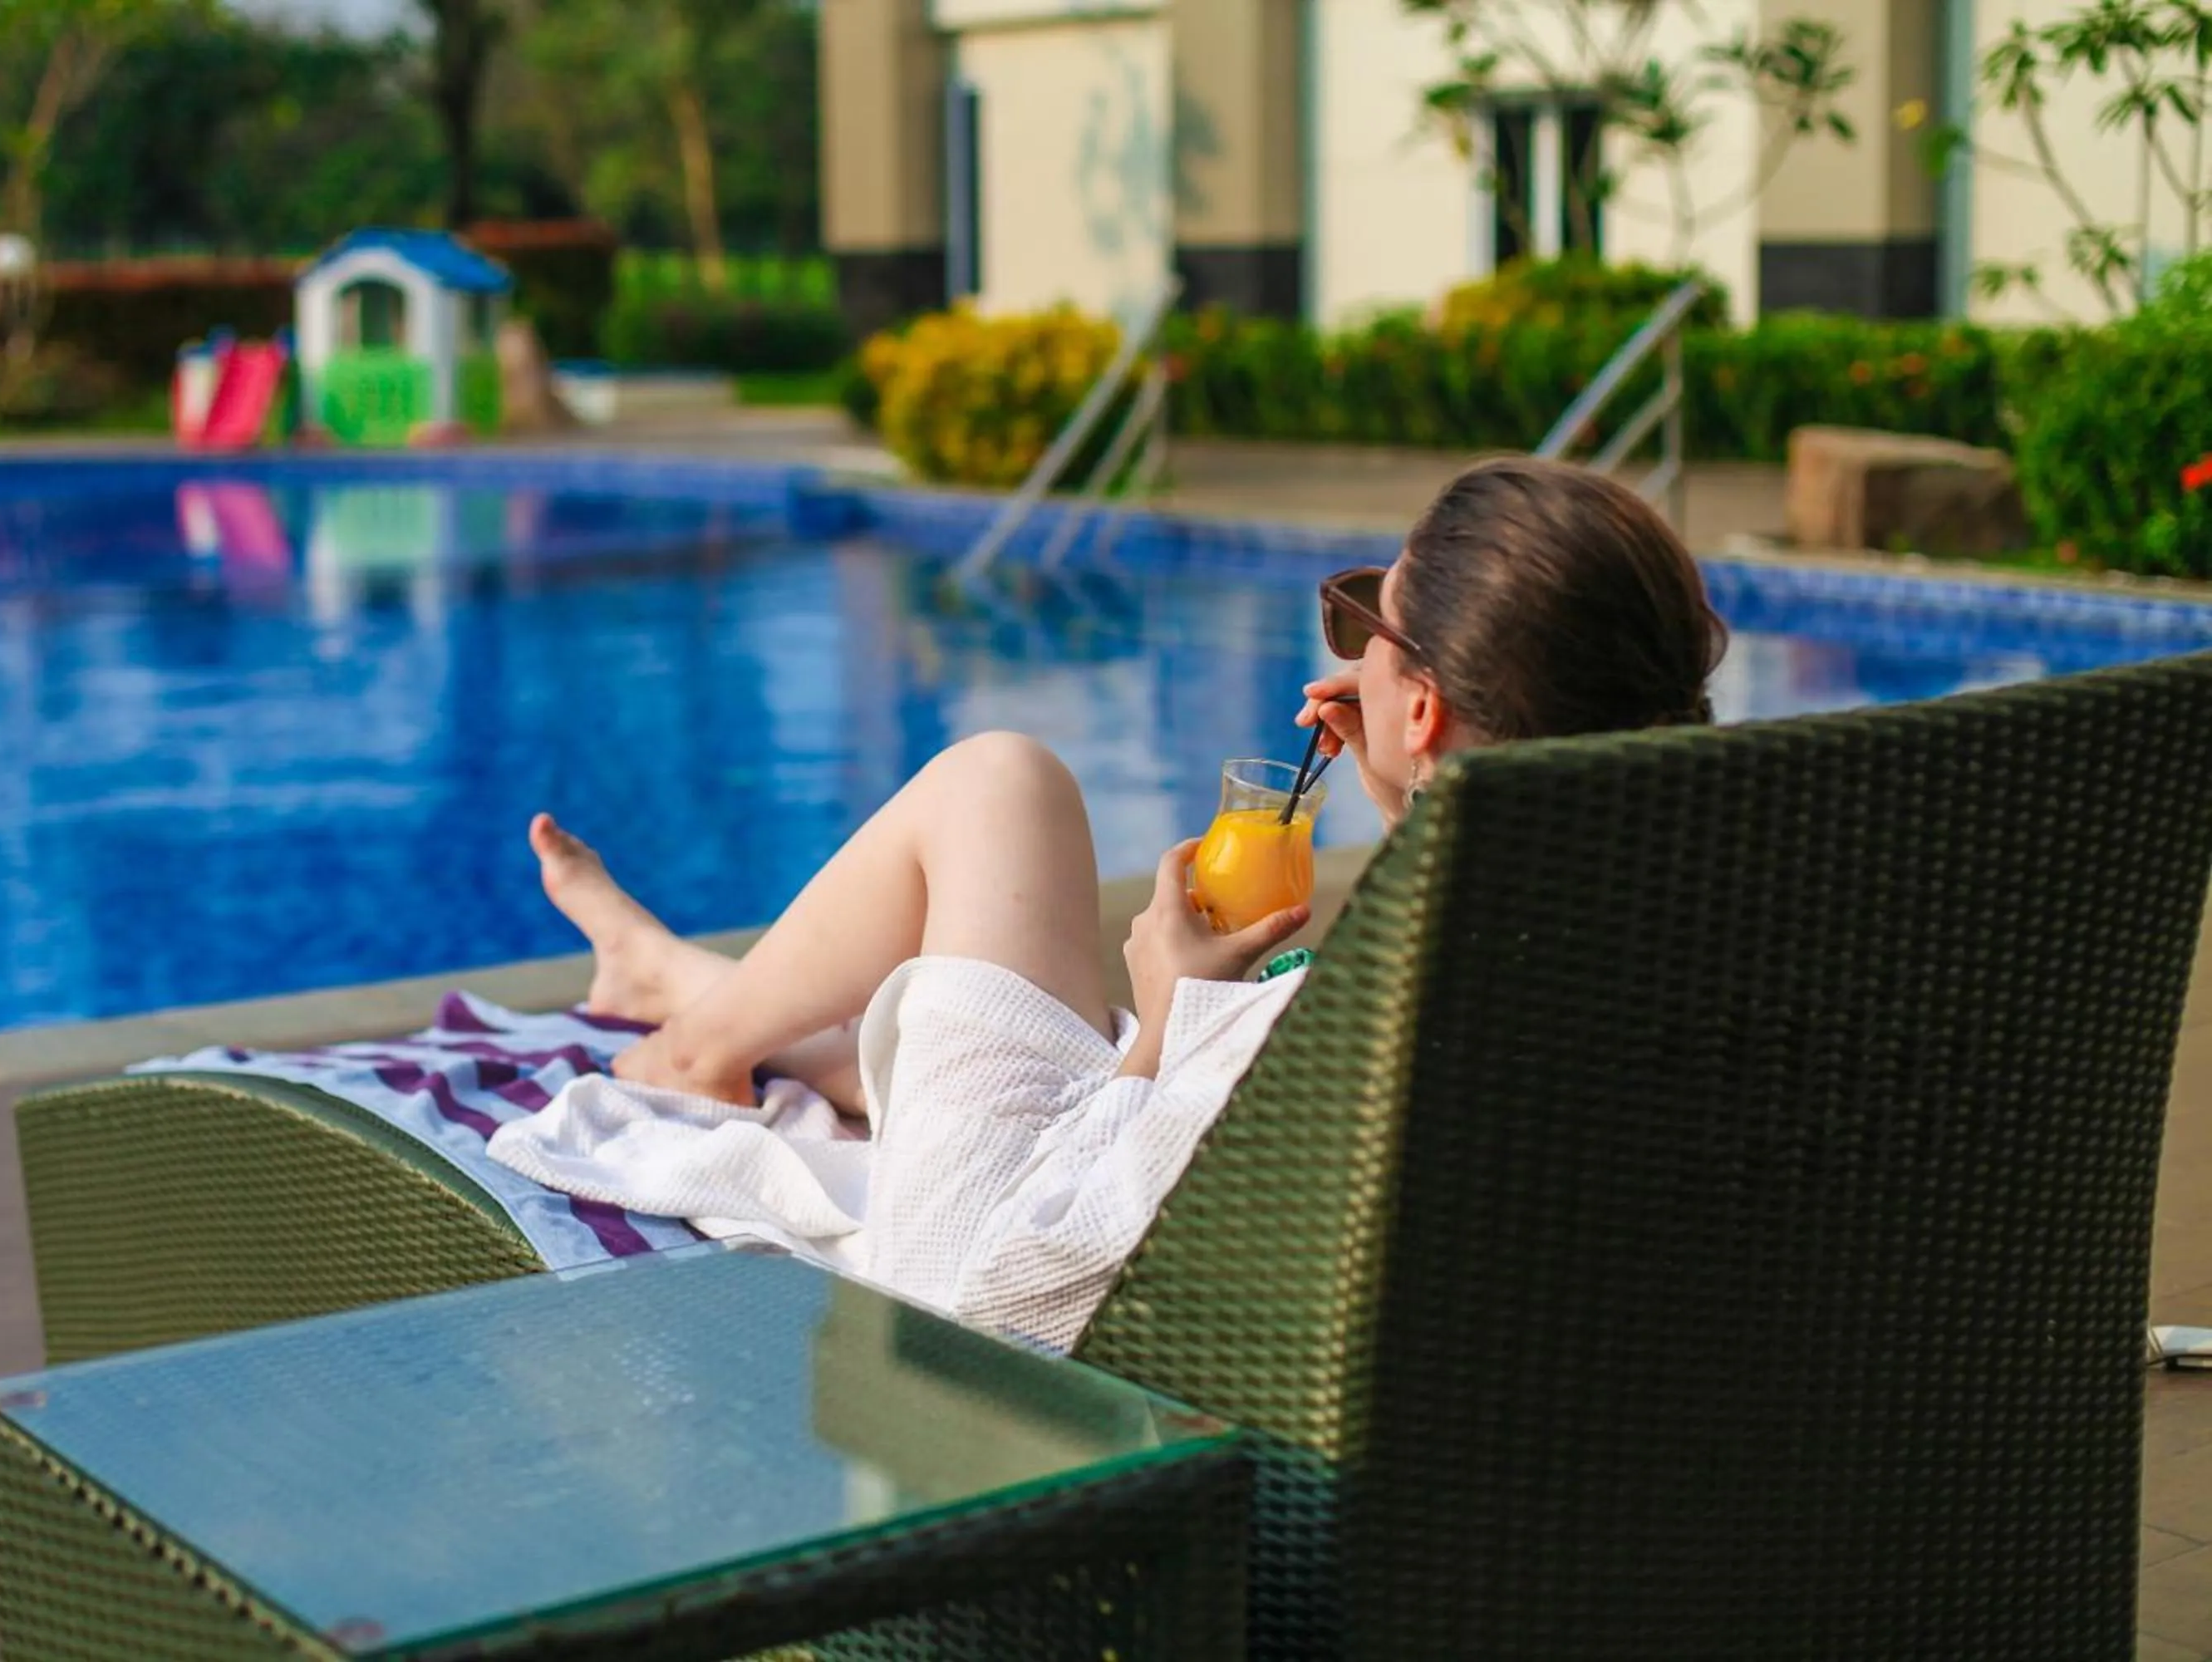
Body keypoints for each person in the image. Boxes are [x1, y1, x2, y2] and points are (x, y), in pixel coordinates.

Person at [492, 457, 1725, 1351]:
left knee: (997, 783)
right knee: (1001, 842)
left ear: (1422, 711)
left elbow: (999, 1300)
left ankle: (691, 1043)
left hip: (968, 1276)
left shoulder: (1359, 1039)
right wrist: (1412, 787)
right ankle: (673, 977)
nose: (1349, 650)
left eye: (1372, 624)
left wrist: (1164, 1020)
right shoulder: (1680, 954)